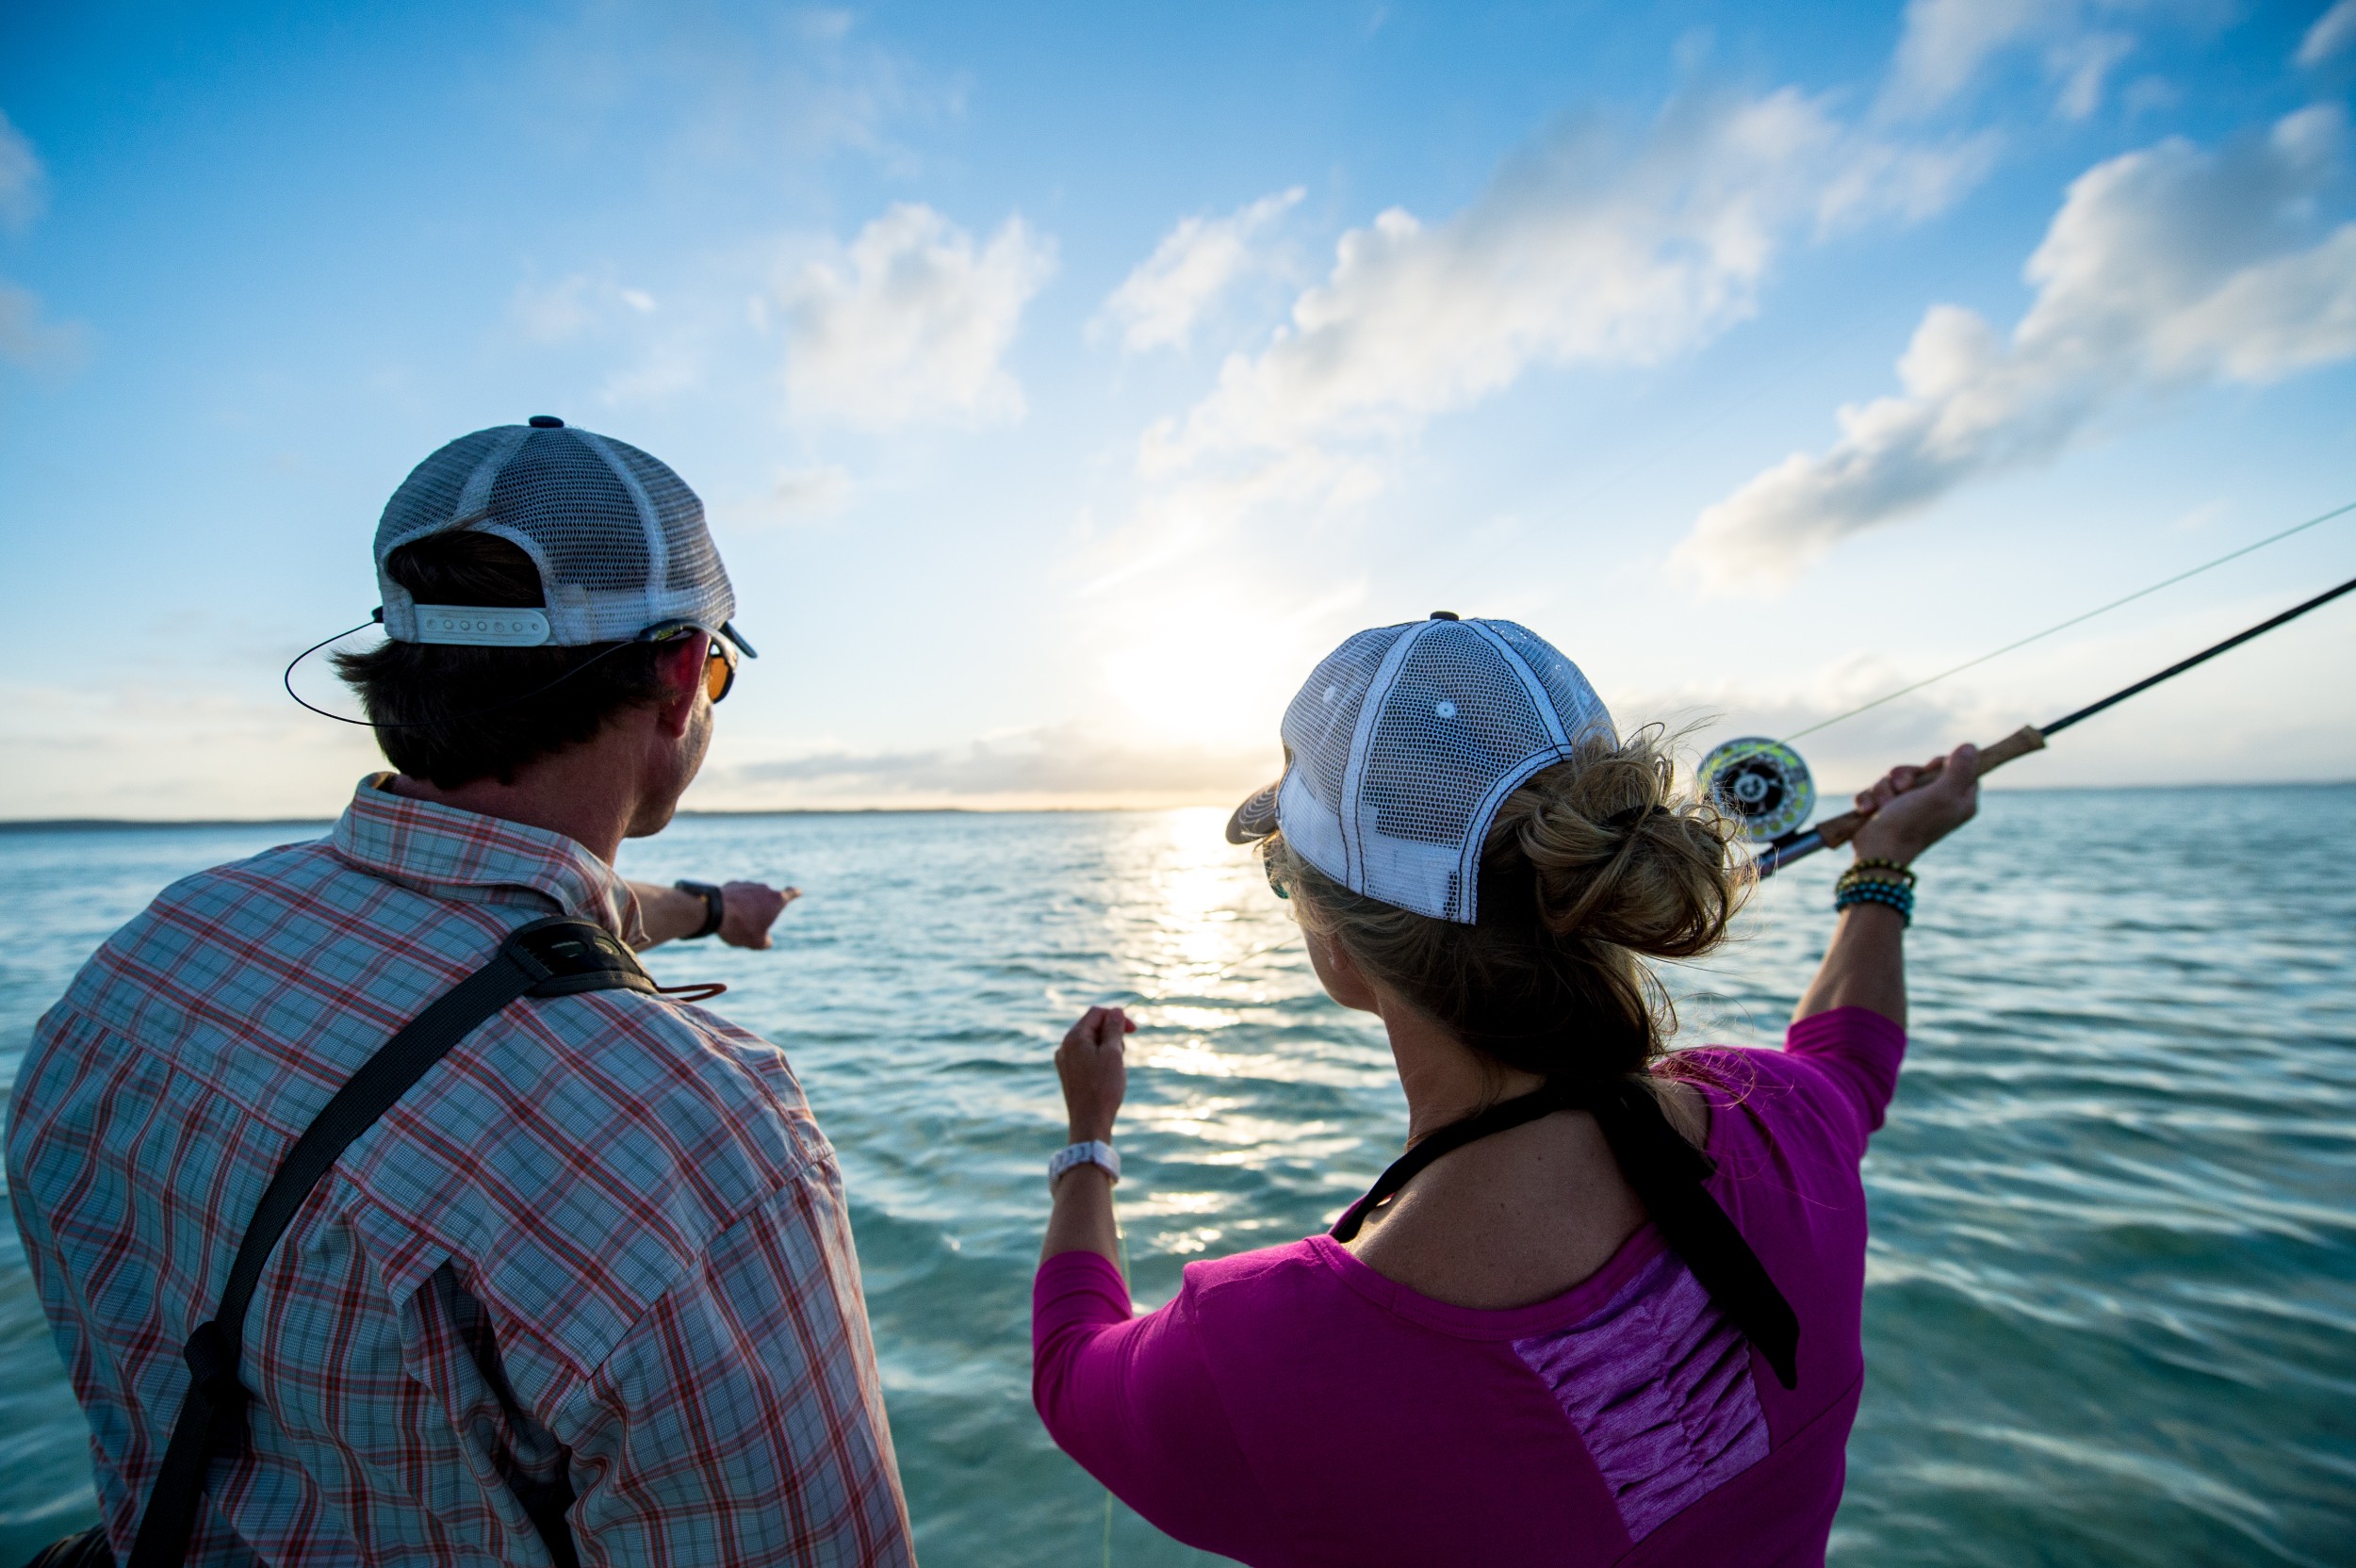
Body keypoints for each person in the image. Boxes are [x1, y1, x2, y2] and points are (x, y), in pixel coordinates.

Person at [7, 418, 913, 1565]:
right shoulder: (703, 1145)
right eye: (719, 665)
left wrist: (707, 905)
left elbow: (493, 910)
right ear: (681, 675)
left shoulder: (150, 957)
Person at [1031, 612, 1979, 1567]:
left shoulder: (1263, 1353)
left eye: (1287, 876)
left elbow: (1071, 1369)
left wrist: (1088, 1134)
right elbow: (1849, 1060)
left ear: (1331, 924)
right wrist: (1882, 867)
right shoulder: (1779, 1117)